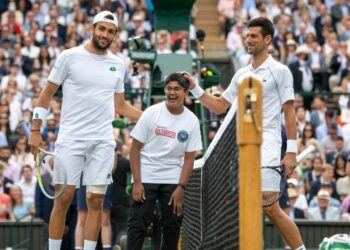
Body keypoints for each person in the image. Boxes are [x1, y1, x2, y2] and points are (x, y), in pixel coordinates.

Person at [182, 17, 305, 250]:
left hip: (268, 147)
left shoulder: (281, 71)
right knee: (245, 208)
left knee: (269, 207)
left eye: (254, 36)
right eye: (247, 36)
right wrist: (194, 87)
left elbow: (289, 113)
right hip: (239, 151)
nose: (248, 40)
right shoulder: (241, 75)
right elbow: (220, 106)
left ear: (267, 40)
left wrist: (291, 152)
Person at [28, 11, 142, 250]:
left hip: (102, 141)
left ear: (115, 35)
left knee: (96, 201)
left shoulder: (118, 64)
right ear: (92, 28)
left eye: (110, 31)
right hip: (71, 139)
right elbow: (46, 95)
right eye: (102, 29)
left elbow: (120, 106)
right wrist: (35, 129)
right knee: (63, 199)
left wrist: (151, 117)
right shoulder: (69, 57)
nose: (105, 35)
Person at [127, 73, 202, 250]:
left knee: (172, 226)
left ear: (186, 93)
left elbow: (189, 158)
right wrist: (137, 182)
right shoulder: (151, 113)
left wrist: (181, 188)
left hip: (173, 179)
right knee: (137, 225)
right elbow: (134, 149)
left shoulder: (192, 120)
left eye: (176, 89)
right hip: (146, 175)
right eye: (168, 88)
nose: (172, 93)